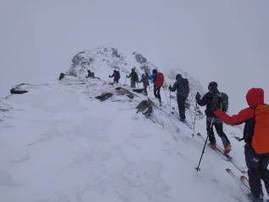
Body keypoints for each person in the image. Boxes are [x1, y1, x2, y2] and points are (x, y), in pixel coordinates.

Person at [214, 88, 269, 201]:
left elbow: (231, 120)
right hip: (267, 150)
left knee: (253, 171)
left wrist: (218, 112)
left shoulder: (251, 111)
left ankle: (257, 197)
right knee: (263, 171)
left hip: (253, 149)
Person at [195, 81, 231, 153]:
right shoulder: (220, 95)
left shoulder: (209, 95)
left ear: (210, 87)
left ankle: (213, 143)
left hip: (210, 117)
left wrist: (197, 97)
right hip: (219, 117)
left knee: (209, 130)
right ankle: (227, 145)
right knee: (220, 132)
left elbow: (201, 103)